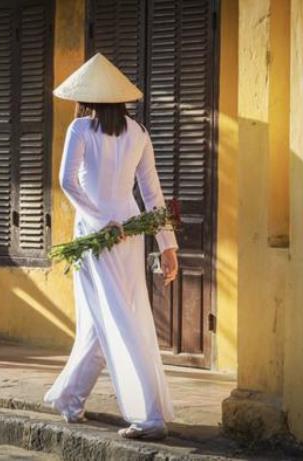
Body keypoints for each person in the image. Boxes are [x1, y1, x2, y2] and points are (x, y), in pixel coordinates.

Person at [43, 53, 179, 440]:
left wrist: (101, 223)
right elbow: (153, 193)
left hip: (96, 232)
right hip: (130, 232)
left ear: (89, 98)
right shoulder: (138, 132)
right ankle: (71, 397)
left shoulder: (80, 130)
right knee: (104, 316)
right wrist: (167, 243)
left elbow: (68, 182)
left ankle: (148, 415)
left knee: (117, 318)